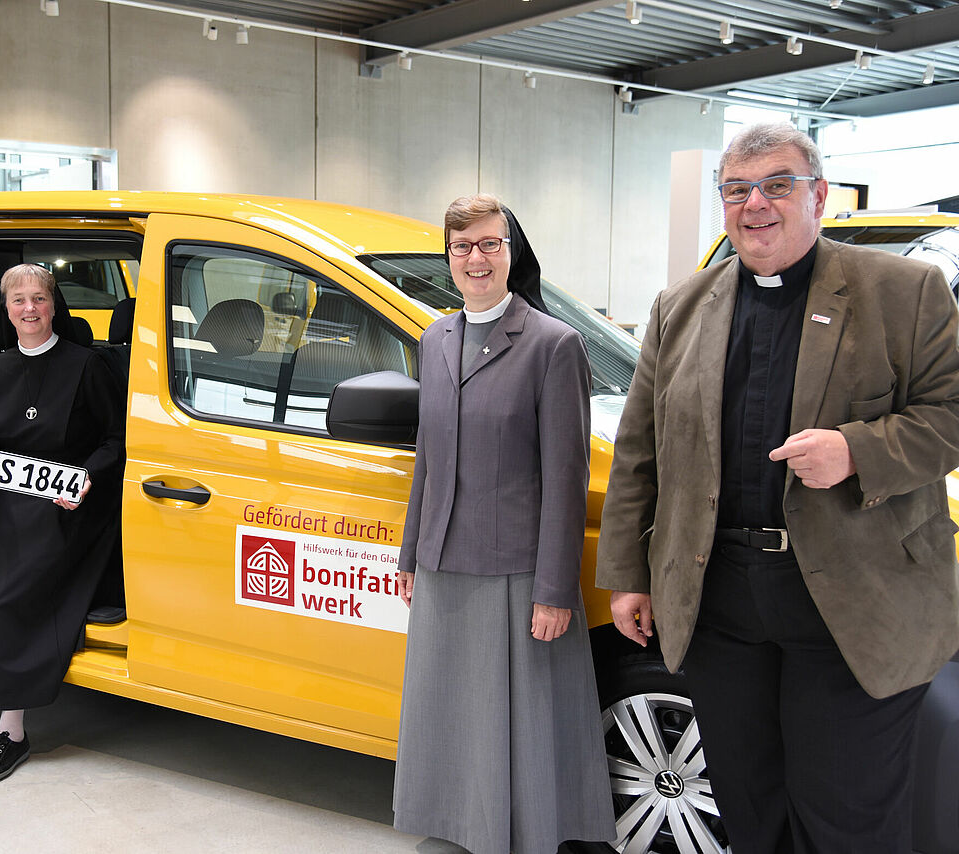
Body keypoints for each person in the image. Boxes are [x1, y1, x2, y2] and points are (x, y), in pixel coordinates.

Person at [597, 122, 959, 853]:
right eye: (736, 190)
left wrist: (858, 450)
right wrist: (630, 575)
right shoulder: (680, 307)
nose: (755, 204)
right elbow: (641, 451)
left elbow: (951, 413)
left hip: (854, 603)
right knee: (749, 802)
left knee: (846, 814)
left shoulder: (904, 291)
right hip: (723, 603)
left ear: (818, 196)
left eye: (777, 185)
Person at [393, 194, 615, 854]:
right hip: (442, 558)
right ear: (449, 259)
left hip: (517, 567)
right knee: (452, 705)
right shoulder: (435, 339)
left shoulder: (554, 345)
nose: (475, 258)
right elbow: (427, 460)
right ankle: (460, 823)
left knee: (515, 714)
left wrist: (554, 589)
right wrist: (409, 555)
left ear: (512, 253)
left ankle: (519, 833)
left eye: (489, 244)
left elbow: (565, 478)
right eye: (462, 247)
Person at [0, 263, 124, 786]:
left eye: (39, 298)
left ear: (54, 305)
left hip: (65, 507)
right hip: (3, 500)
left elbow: (114, 441)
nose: (30, 309)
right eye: (19, 301)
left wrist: (86, 477)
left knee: (9, 594)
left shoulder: (87, 365)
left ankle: (11, 733)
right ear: (7, 310)